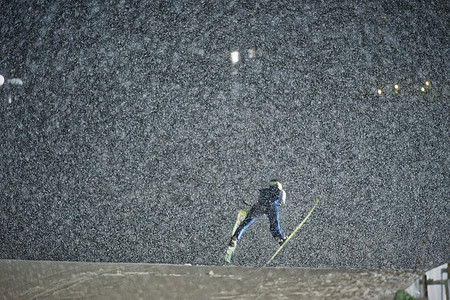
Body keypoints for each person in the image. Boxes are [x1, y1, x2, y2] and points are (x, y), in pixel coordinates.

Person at [229, 180, 287, 248]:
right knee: (274, 223)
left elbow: (251, 201)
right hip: (272, 206)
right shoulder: (281, 191)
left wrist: (248, 202)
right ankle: (279, 238)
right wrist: (279, 203)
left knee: (246, 222)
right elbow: (282, 201)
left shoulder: (261, 191)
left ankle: (235, 238)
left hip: (259, 206)